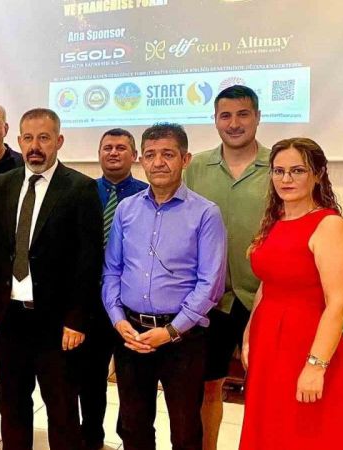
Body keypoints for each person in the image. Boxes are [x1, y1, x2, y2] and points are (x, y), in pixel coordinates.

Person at [0, 108, 103, 450]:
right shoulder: (2, 185)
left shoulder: (80, 188)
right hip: (9, 318)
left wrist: (77, 319)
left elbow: (89, 261)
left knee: (62, 409)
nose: (35, 146)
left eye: (44, 138)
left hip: (57, 324)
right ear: (18, 141)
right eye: (29, 138)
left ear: (59, 141)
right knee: (12, 405)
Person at [240, 138, 343, 450]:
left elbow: (339, 302)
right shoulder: (274, 221)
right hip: (268, 340)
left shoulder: (329, 225)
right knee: (272, 427)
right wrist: (248, 337)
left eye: (297, 170)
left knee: (307, 430)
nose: (286, 179)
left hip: (307, 342)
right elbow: (266, 284)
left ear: (318, 174)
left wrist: (316, 365)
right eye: (279, 171)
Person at [103, 123, 226, 450]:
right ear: (141, 160)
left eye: (168, 154)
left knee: (185, 430)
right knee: (133, 425)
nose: (158, 162)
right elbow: (112, 270)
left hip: (183, 339)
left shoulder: (205, 213)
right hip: (131, 333)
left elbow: (210, 284)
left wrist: (171, 331)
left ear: (185, 159)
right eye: (151, 155)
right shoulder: (127, 209)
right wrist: (118, 319)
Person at [183, 85, 270, 450]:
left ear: (258, 117)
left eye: (243, 114)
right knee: (207, 387)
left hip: (265, 298)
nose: (234, 124)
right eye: (225, 116)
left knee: (268, 390)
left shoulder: (278, 165)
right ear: (215, 120)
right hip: (210, 301)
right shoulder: (196, 167)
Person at [78, 128, 149, 449]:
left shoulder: (147, 196)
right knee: (91, 376)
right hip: (91, 301)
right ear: (99, 154)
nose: (113, 153)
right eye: (107, 147)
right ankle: (91, 434)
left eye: (121, 148)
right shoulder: (82, 193)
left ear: (134, 156)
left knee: (132, 379)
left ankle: (128, 435)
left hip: (131, 303)